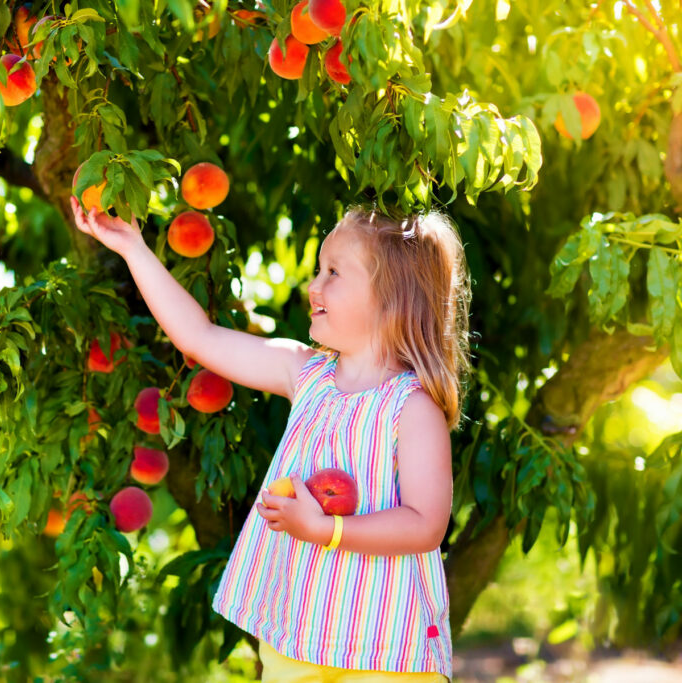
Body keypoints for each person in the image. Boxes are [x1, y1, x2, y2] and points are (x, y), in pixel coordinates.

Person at [70, 196, 470, 683]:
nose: (313, 284)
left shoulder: (412, 408)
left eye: (333, 273)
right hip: (296, 633)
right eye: (318, 270)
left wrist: (327, 530)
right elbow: (199, 337)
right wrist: (134, 249)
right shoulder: (306, 374)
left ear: (391, 297)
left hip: (383, 644)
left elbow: (425, 525)